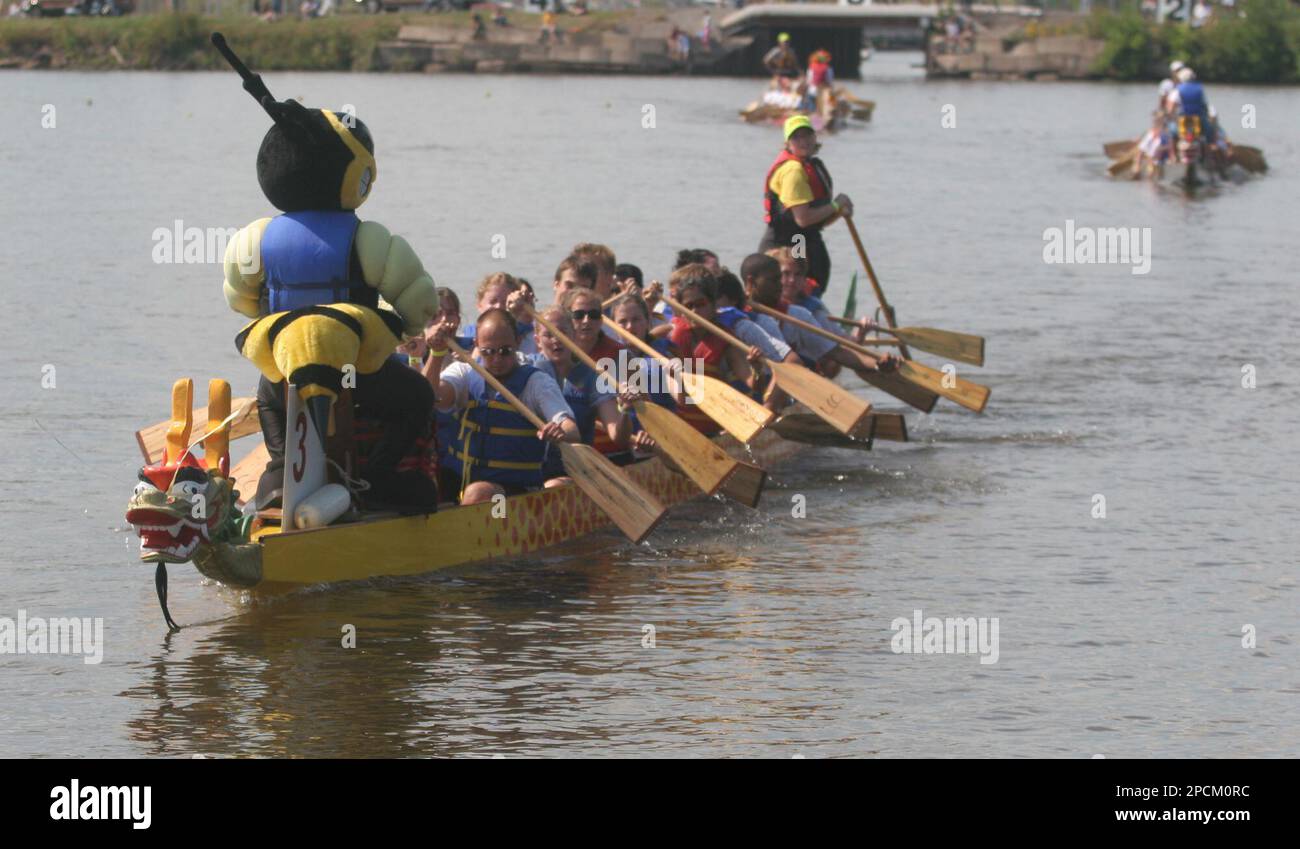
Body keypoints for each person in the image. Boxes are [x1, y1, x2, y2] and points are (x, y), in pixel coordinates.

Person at [423, 308, 578, 505]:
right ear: (476, 345)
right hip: (459, 483)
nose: (497, 359)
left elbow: (571, 429)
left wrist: (560, 432)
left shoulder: (537, 383)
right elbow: (430, 397)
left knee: (478, 493)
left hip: (512, 498)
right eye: (488, 352)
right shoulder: (462, 373)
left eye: (505, 351)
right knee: (423, 486)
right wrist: (436, 354)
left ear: (518, 343)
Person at [530, 307, 646, 481]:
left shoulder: (592, 376)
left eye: (563, 332)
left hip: (575, 472)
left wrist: (624, 409)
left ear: (574, 336)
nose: (556, 340)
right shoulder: (528, 372)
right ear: (538, 341)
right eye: (549, 335)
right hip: (532, 470)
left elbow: (619, 436)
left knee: (554, 485)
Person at [759, 114, 852, 297]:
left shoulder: (810, 165)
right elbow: (803, 219)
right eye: (796, 137)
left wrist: (840, 211)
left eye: (807, 135)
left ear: (815, 137)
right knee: (798, 289)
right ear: (788, 143)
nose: (803, 141)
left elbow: (816, 222)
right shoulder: (793, 171)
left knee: (808, 287)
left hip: (800, 239)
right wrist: (835, 205)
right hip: (787, 243)